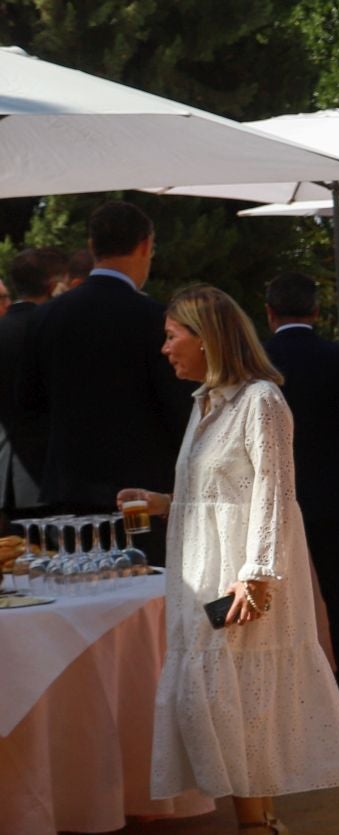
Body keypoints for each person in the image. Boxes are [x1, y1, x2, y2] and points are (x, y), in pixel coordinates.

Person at [119, 285, 339, 835]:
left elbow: (275, 495)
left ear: (208, 338)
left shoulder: (261, 402)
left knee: (239, 694)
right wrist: (166, 502)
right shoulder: (205, 402)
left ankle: (259, 827)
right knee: (216, 693)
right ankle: (259, 824)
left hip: (245, 575)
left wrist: (257, 574)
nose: (164, 347)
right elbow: (223, 491)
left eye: (173, 335)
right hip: (204, 568)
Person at [18, 202, 193, 567]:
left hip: (67, 494)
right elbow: (178, 407)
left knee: (81, 602)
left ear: (92, 243)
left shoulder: (46, 316)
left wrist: (53, 469)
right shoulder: (155, 318)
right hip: (142, 495)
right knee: (146, 597)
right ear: (145, 246)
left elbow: (26, 410)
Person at [263, 272, 339, 721]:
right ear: (317, 311)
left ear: (269, 313)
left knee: (271, 598)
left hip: (270, 496)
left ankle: (277, 693)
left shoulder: (256, 358)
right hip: (330, 488)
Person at [0, 247, 64, 518]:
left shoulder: (4, 329)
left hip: (6, 464)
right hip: (54, 467)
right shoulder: (57, 327)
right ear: (52, 285)